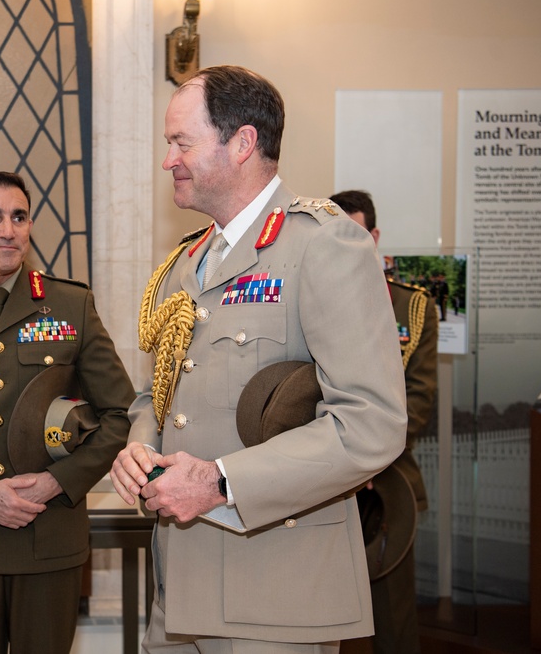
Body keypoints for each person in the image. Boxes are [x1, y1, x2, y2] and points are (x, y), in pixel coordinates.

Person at [110, 65, 408, 652]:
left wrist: (221, 482)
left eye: (181, 142)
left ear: (242, 142)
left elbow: (371, 424)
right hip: (179, 593)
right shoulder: (186, 261)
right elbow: (159, 394)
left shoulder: (325, 245)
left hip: (277, 594)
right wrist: (140, 445)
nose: (168, 159)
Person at [0, 171, 135, 654]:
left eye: (19, 217)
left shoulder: (71, 306)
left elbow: (118, 413)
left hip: (48, 536)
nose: (7, 230)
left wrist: (60, 481)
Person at [332, 189, 438, 654]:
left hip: (388, 485)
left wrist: (369, 461)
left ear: (374, 237)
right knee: (331, 618)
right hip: (322, 483)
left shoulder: (412, 308)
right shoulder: (314, 298)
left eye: (357, 237)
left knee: (392, 619)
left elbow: (417, 398)